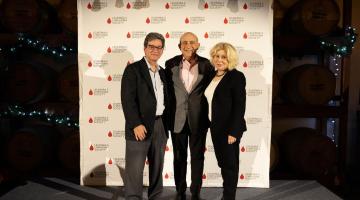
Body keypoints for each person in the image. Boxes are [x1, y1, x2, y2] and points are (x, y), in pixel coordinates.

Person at [165, 32, 214, 200]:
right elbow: (168, 93)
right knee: (179, 157)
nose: (188, 45)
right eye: (184, 42)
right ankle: (180, 190)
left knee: (197, 157)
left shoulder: (207, 65)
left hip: (198, 119)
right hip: (177, 118)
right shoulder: (170, 63)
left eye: (191, 42)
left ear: (198, 45)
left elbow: (210, 90)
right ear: (179, 46)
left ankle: (195, 192)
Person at [121, 32, 170, 200]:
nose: (155, 50)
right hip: (139, 126)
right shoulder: (133, 70)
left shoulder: (163, 73)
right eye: (151, 46)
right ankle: (133, 197)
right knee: (135, 169)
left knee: (157, 166)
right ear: (145, 48)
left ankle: (155, 196)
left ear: (162, 50)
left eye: (159, 47)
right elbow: (128, 100)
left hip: (160, 125)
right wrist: (135, 124)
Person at [204, 42, 247, 200]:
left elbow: (239, 106)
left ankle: (228, 197)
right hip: (216, 128)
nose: (219, 59)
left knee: (230, 166)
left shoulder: (236, 76)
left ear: (230, 59)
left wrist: (234, 131)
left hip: (229, 130)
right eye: (216, 56)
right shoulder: (212, 76)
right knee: (223, 164)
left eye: (223, 57)